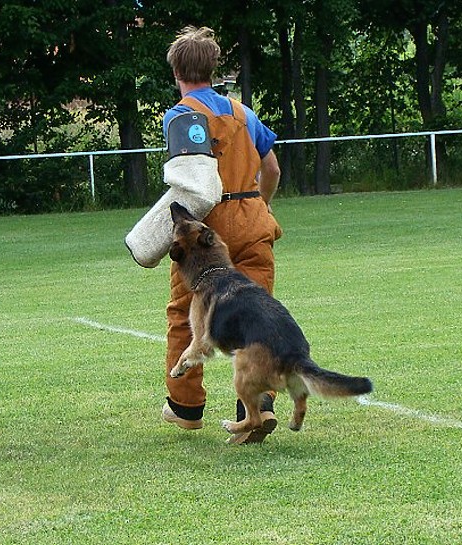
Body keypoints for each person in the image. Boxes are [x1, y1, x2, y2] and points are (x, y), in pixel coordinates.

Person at [161, 26, 282, 444]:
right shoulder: (243, 113)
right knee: (256, 313)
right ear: (213, 68)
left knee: (185, 313)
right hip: (254, 219)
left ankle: (186, 406)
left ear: (177, 70)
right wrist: (259, 206)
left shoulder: (181, 116)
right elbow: (273, 170)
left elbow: (193, 182)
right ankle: (260, 403)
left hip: (208, 232)